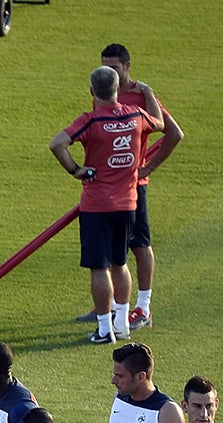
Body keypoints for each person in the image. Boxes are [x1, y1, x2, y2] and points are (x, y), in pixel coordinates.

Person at [49, 65, 164, 344]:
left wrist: (77, 170)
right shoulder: (136, 115)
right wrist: (147, 93)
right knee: (120, 263)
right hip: (128, 203)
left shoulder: (91, 121)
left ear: (92, 91)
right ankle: (123, 323)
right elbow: (159, 123)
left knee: (99, 268)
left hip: (97, 204)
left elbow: (58, 144)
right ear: (117, 91)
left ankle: (104, 329)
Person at [100, 42, 184, 330]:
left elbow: (173, 132)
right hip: (108, 186)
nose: (108, 73)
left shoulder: (141, 96)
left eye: (113, 68)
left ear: (127, 66)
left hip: (134, 186)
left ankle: (143, 308)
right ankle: (111, 306)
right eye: (104, 68)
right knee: (112, 249)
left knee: (139, 244)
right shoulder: (104, 94)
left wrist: (148, 167)